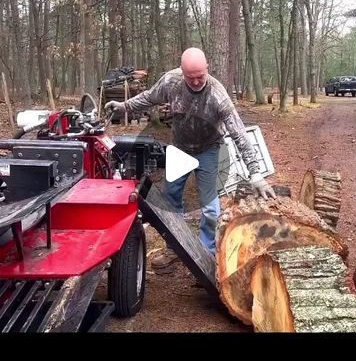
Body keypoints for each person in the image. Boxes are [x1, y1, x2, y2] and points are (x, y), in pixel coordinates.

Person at [105, 47, 275, 273]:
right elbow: (149, 97)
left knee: (210, 209)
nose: (195, 82)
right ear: (182, 72)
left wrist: (255, 173)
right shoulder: (171, 82)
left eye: (200, 76)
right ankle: (174, 249)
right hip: (180, 149)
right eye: (190, 77)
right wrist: (123, 106)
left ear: (207, 69)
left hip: (209, 150)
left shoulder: (217, 95)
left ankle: (205, 258)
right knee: (171, 201)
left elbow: (238, 132)